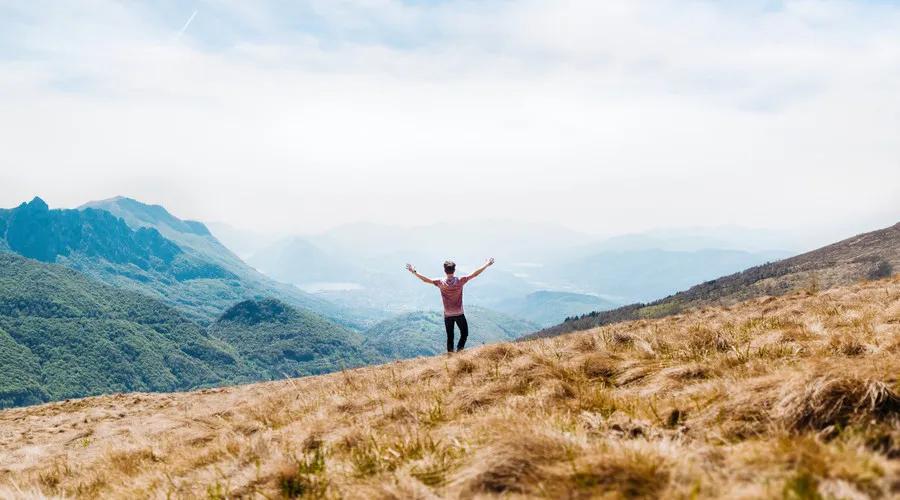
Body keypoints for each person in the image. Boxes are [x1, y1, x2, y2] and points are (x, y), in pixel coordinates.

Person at [406, 258, 495, 353]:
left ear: (445, 271)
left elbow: (425, 280)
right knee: (464, 333)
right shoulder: (460, 281)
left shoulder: (440, 282)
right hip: (459, 313)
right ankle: (459, 351)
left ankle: (450, 356)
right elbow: (475, 274)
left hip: (448, 314)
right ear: (454, 270)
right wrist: (486, 264)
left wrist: (414, 272)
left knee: (450, 336)